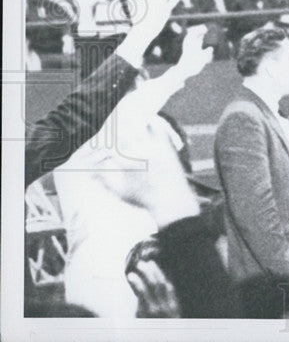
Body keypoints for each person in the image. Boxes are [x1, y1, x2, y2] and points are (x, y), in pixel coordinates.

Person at [53, 26, 213, 318]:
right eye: (134, 72)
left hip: (134, 274)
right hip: (105, 281)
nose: (141, 79)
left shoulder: (126, 126)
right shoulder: (88, 128)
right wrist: (183, 69)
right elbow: (126, 111)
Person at [24, 0, 184, 187]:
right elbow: (87, 100)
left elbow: (87, 98)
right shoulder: (97, 133)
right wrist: (143, 32)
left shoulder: (161, 125)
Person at [214, 26, 289, 286]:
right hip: (275, 284)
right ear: (271, 68)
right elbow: (255, 213)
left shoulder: (263, 115)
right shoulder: (244, 119)